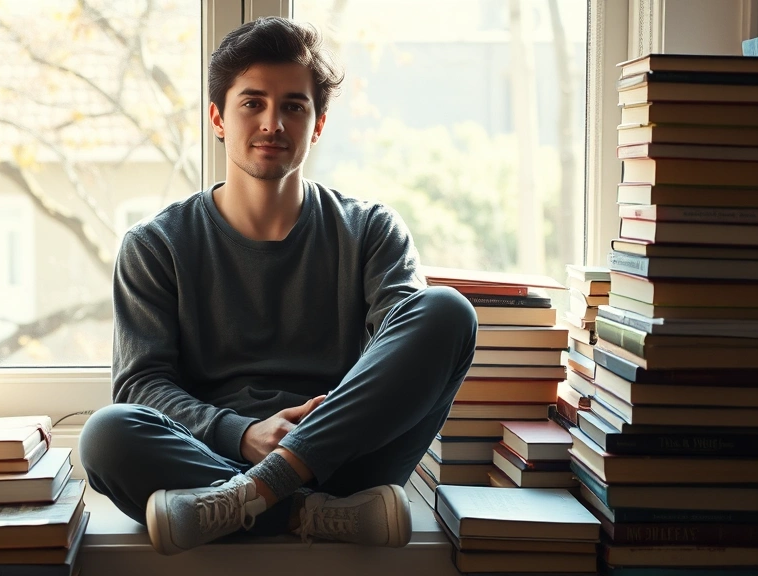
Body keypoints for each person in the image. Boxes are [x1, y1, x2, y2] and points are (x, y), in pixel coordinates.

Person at [79, 16, 477, 556]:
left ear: (317, 125)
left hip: (347, 459)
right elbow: (142, 385)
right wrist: (242, 432)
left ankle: (253, 499)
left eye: (293, 105)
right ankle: (310, 516)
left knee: (446, 311)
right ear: (218, 118)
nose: (273, 122)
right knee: (108, 434)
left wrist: (296, 453)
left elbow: (406, 353)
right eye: (253, 103)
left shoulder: (371, 229)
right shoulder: (156, 245)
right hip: (218, 459)